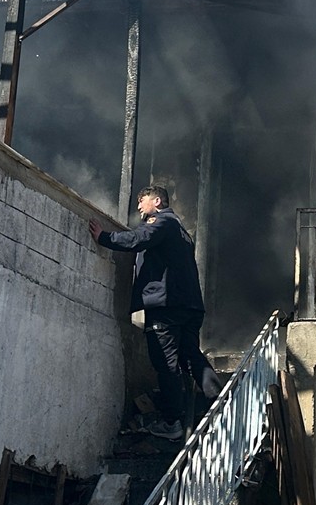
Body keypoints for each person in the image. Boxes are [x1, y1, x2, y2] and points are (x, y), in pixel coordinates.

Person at [89, 185, 222, 440]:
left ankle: (172, 422)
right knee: (190, 356)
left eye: (142, 200)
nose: (138, 206)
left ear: (157, 201)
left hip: (167, 306)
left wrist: (105, 237)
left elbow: (139, 239)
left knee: (166, 363)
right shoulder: (182, 232)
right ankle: (220, 403)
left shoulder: (165, 223)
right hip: (189, 306)